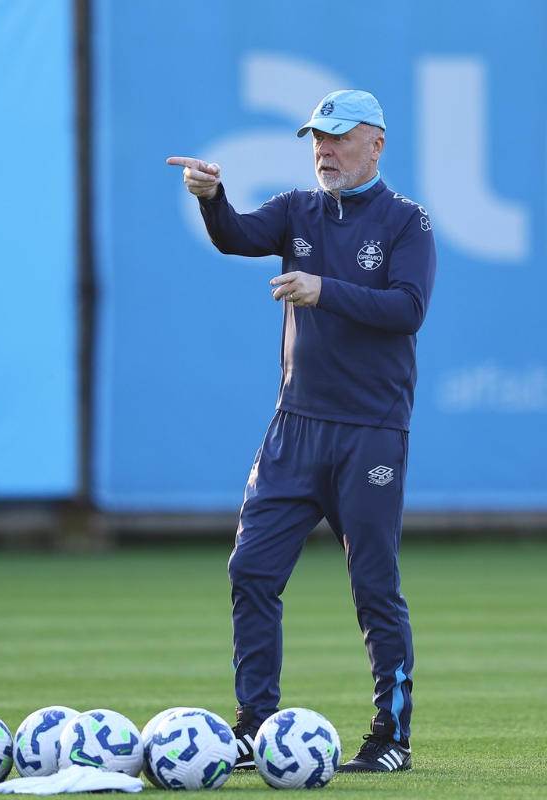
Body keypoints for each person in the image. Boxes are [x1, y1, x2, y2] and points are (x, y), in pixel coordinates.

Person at [166, 89, 436, 774]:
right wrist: (213, 199)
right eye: (318, 137)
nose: (324, 150)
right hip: (295, 428)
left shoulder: (407, 221)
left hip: (370, 433)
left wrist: (323, 289)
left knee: (374, 585)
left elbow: (408, 309)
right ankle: (254, 726)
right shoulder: (297, 209)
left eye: (339, 137)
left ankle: (392, 738)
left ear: (376, 144)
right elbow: (235, 237)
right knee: (251, 569)